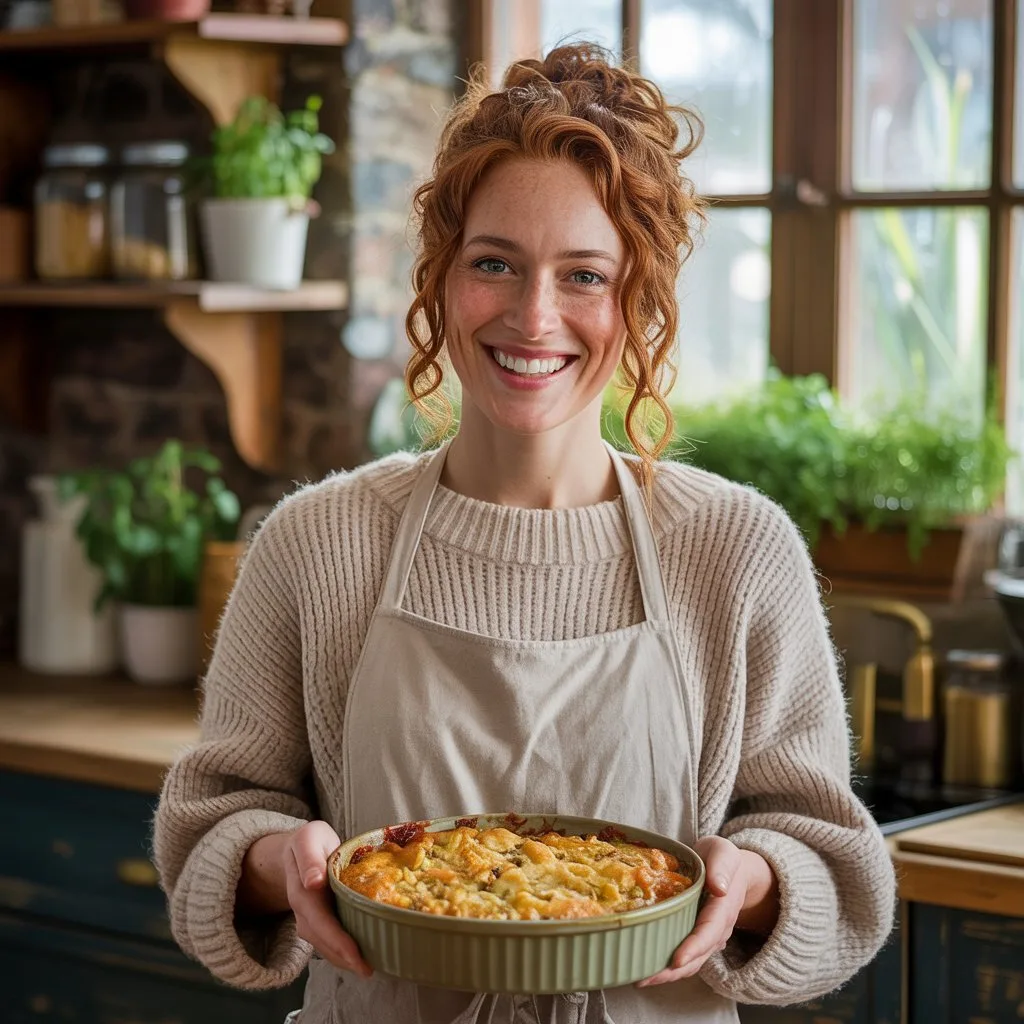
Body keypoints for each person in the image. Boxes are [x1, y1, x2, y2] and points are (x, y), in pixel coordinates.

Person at [153, 43, 896, 1024]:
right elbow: (216, 815)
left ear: (637, 304)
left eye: (583, 275)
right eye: (494, 262)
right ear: (439, 277)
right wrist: (268, 862)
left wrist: (750, 879)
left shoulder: (736, 551)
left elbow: (835, 862)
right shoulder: (317, 543)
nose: (533, 316)